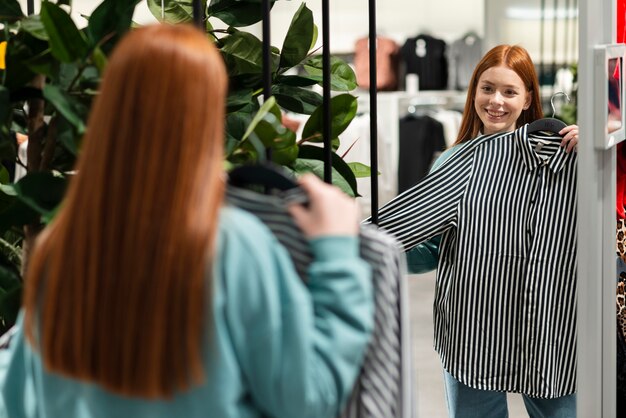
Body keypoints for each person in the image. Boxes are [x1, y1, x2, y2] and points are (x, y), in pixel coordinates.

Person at [0, 24, 374, 418]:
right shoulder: (232, 245)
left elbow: (21, 399)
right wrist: (337, 256)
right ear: (205, 115)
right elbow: (305, 399)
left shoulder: (64, 245)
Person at [374, 44, 579, 418]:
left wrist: (600, 153)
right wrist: (374, 251)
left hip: (552, 333)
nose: (496, 101)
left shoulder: (577, 161)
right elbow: (430, 246)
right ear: (473, 92)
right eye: (487, 88)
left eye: (509, 91)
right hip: (474, 330)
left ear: (529, 98)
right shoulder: (457, 161)